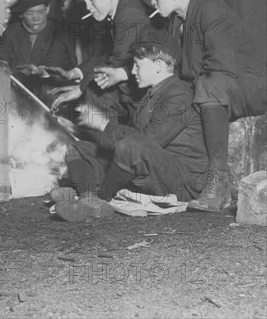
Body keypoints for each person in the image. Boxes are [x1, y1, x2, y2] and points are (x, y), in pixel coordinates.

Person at [147, 0, 267, 211]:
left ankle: (219, 183)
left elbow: (221, 66)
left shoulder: (210, 9)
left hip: (248, 86)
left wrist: (188, 87)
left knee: (206, 86)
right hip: (222, 83)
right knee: (181, 91)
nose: (151, 2)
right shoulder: (178, 20)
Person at [52, 33, 208, 222]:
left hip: (181, 179)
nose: (132, 71)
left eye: (137, 65)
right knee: (80, 148)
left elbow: (145, 141)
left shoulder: (178, 96)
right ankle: (88, 197)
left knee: (130, 145)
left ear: (158, 66)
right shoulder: (151, 94)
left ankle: (101, 199)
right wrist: (85, 129)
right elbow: (128, 140)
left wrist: (103, 124)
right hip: (154, 167)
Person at [50, 0, 155, 122]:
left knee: (94, 101)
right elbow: (105, 56)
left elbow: (115, 64)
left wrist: (81, 88)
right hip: (135, 87)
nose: (88, 8)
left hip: (148, 98)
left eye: (91, 0)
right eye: (85, 1)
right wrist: (76, 74)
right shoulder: (115, 11)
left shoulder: (129, 15)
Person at [0, 0, 77, 100]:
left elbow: (56, 61)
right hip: (16, 96)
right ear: (21, 14)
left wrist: (38, 71)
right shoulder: (12, 32)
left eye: (40, 12)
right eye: (29, 13)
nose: (35, 17)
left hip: (51, 96)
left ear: (47, 10)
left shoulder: (59, 31)